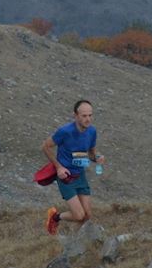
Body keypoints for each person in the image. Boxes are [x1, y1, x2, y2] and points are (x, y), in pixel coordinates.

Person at [42, 99, 105, 235]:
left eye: (90, 115)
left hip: (80, 175)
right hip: (66, 178)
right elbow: (46, 146)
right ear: (75, 116)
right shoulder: (65, 131)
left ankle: (73, 242)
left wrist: (98, 158)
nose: (88, 119)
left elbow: (91, 153)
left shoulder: (92, 132)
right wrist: (59, 167)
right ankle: (55, 217)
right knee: (78, 215)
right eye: (84, 116)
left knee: (87, 216)